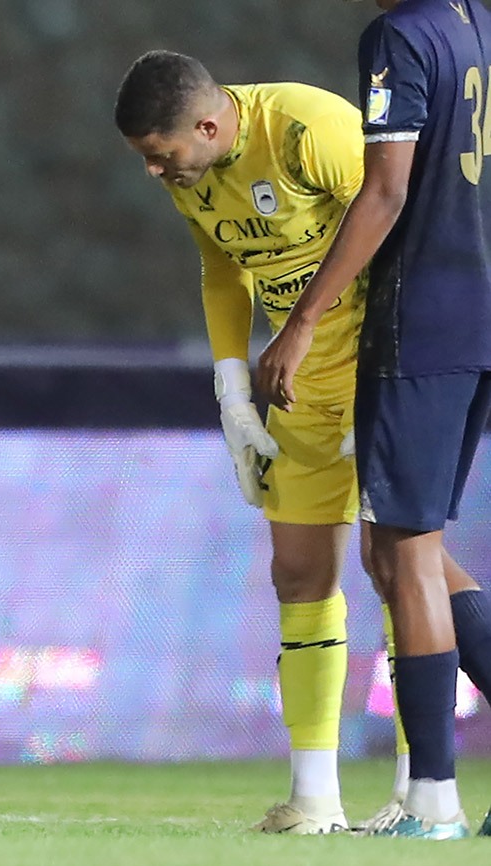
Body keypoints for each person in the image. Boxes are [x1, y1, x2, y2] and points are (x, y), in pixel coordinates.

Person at [114, 49, 480, 834]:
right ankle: (314, 798)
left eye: (158, 153)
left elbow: (406, 221)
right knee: (300, 572)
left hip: (386, 364)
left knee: (401, 565)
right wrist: (230, 388)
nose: (154, 171)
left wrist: (381, 370)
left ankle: (418, 788)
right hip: (297, 382)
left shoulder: (307, 128)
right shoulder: (193, 173)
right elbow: (222, 267)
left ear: (206, 125)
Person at [256, 0, 491, 840]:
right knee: (400, 549)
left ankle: (432, 802)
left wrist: (303, 320)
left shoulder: (399, 36)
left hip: (421, 320)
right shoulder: (476, 22)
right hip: (477, 312)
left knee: (406, 552)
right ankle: (431, 795)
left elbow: (386, 190)